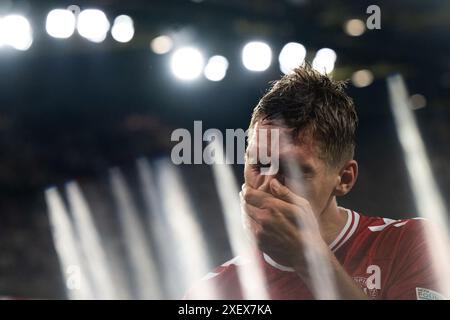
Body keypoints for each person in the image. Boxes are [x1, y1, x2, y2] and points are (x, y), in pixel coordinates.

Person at [185, 65, 442, 300]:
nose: (267, 185)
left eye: (295, 171)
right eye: (259, 165)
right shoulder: (211, 293)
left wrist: (309, 259)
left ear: (344, 179)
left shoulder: (410, 244)